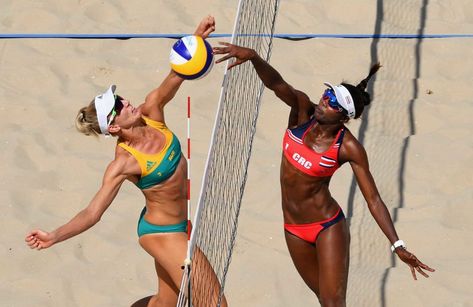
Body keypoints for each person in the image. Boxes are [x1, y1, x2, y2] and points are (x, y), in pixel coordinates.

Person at [213, 43, 435, 306]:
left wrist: (397, 245)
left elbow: (373, 199)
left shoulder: (348, 147)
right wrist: (254, 58)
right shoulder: (302, 113)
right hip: (293, 229)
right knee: (324, 298)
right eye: (327, 94)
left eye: (332, 103)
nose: (324, 101)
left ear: (343, 117)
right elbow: (276, 84)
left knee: (332, 303)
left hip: (327, 227)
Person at [25, 16, 226, 307]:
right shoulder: (124, 163)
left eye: (119, 98)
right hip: (162, 233)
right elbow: (93, 212)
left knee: (164, 304)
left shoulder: (152, 110)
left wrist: (196, 40)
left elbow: (178, 73)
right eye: (118, 107)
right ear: (115, 127)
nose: (126, 102)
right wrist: (53, 236)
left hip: (181, 224)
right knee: (215, 303)